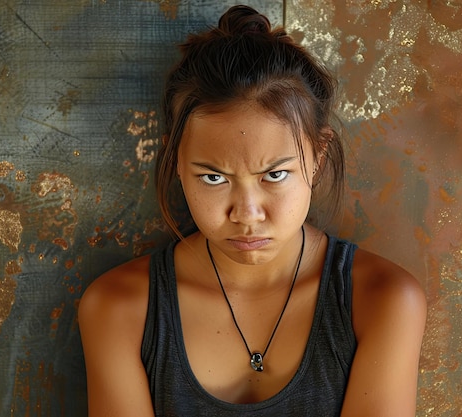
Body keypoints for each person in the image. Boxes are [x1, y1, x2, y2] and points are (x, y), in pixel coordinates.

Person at [79, 5, 427, 416]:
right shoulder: (120, 309)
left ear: (317, 156)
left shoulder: (381, 301)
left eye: (275, 175)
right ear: (175, 162)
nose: (246, 214)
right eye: (214, 178)